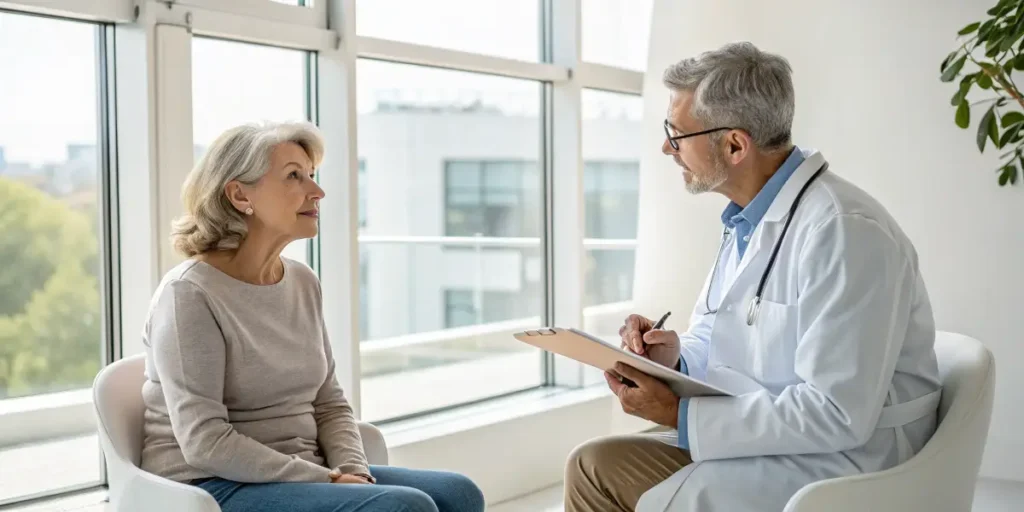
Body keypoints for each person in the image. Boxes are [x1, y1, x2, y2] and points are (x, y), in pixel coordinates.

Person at [564, 42, 942, 512]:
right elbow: (725, 340)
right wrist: (675, 359)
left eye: (676, 133)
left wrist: (681, 414)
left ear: (735, 145)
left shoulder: (844, 230)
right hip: (770, 439)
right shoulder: (747, 222)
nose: (666, 147)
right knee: (592, 461)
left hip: (843, 465)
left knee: (596, 471)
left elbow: (837, 414)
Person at [139, 121, 486, 512]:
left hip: (303, 471)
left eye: (312, 176)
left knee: (459, 493)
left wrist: (354, 471)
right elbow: (204, 442)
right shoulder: (188, 294)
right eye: (293, 176)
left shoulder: (302, 281)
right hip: (211, 485)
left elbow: (329, 402)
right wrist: (329, 480)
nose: (316, 192)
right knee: (405, 508)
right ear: (239, 195)